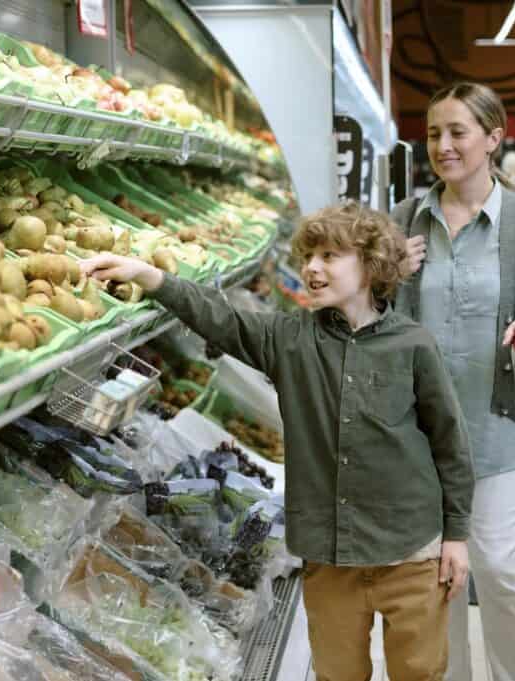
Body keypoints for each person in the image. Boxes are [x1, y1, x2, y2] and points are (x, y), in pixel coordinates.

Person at [81, 204, 474, 681]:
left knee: (420, 672)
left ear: (371, 264)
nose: (312, 267)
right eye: (308, 255)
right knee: (337, 673)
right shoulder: (288, 339)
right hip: (330, 555)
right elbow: (219, 318)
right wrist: (150, 276)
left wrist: (456, 536)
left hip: (410, 551)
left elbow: (449, 441)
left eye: (330, 255)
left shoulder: (413, 345)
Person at [391, 82, 515, 681]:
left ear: (494, 139)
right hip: (418, 434)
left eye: (457, 132)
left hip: (495, 426)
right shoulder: (404, 220)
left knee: (500, 569)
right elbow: (369, 319)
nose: (442, 146)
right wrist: (388, 274)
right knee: (435, 576)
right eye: (433, 134)